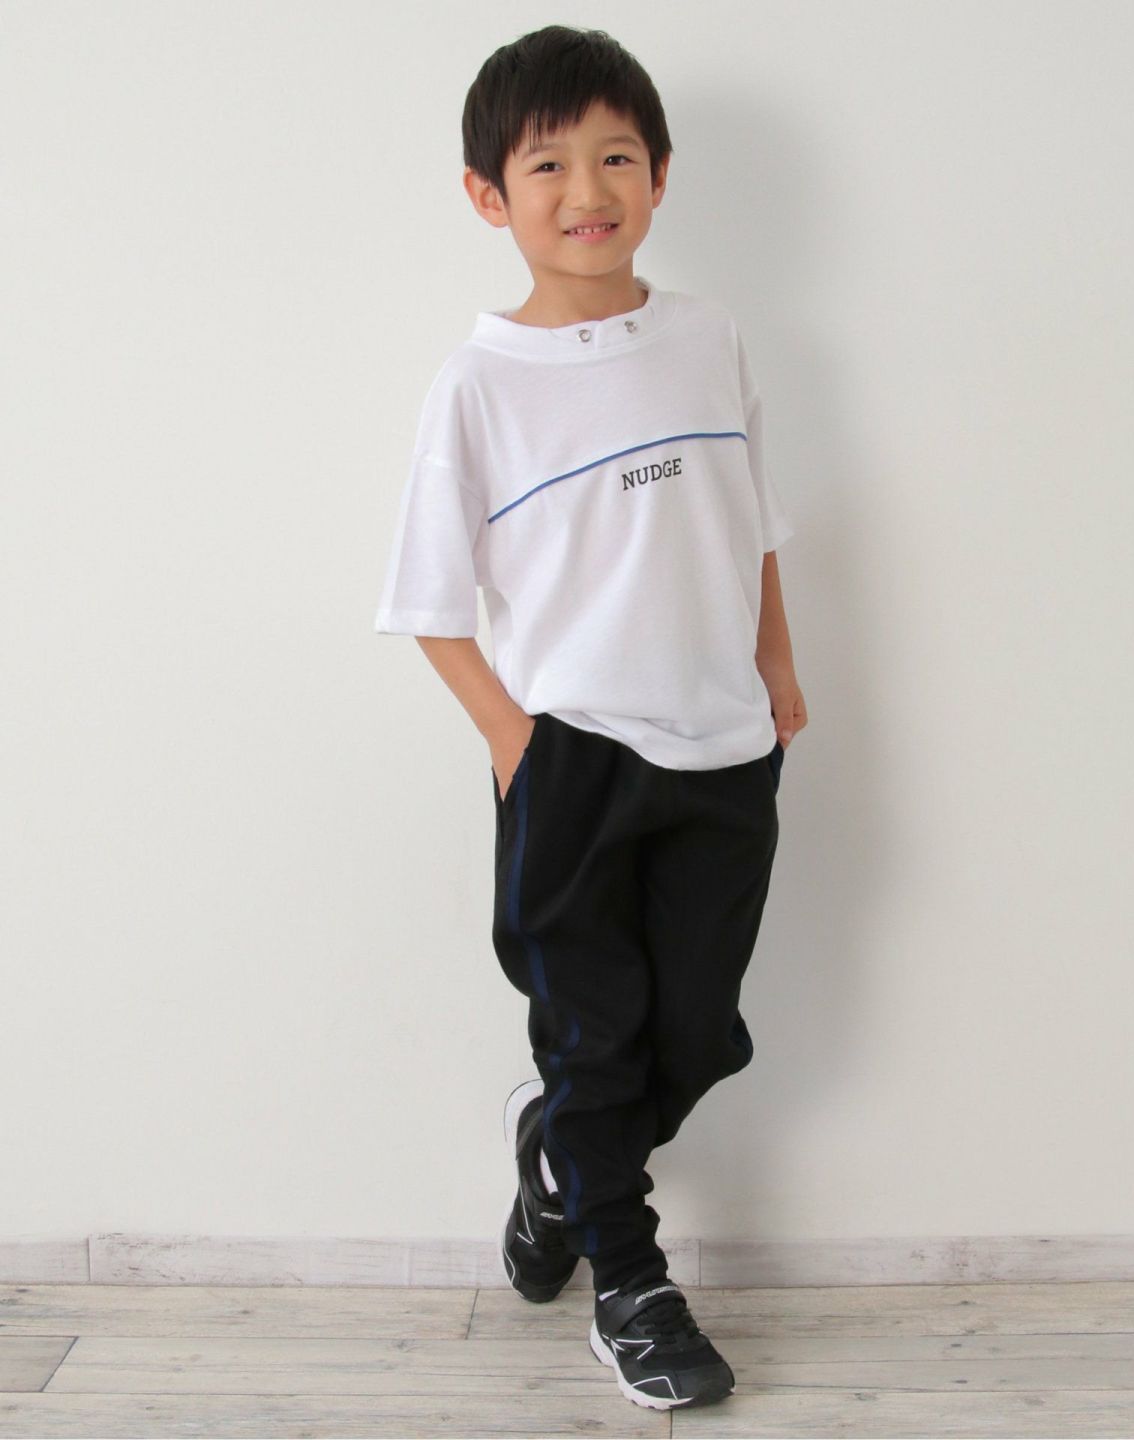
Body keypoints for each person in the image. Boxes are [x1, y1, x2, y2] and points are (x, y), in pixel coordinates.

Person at [374, 23, 807, 1412]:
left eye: (617, 157)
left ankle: (562, 1159)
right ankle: (631, 1282)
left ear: (660, 176)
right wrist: (522, 749)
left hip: (726, 744)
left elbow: (752, 523)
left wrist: (777, 669)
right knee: (596, 1037)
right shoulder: (479, 385)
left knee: (699, 1032)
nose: (587, 189)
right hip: (573, 764)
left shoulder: (707, 338)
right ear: (488, 195)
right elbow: (430, 603)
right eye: (547, 164)